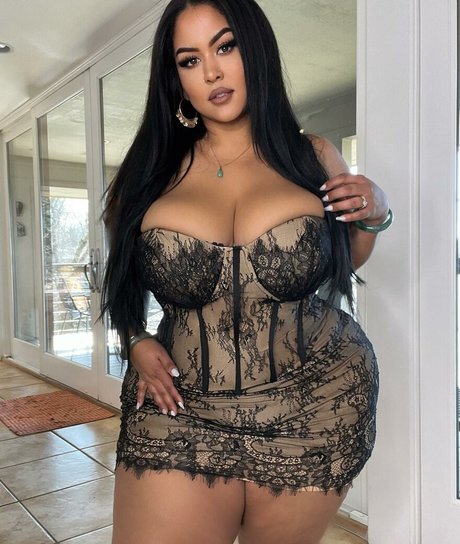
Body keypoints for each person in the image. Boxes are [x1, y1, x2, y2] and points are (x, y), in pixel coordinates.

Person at [101, 1, 391, 542]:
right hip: (180, 407)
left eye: (225, 46)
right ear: (176, 80)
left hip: (317, 401)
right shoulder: (146, 172)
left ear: (254, 49)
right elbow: (119, 279)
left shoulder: (311, 156)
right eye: (190, 60)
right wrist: (135, 338)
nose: (211, 71)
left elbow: (342, 261)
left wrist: (376, 213)